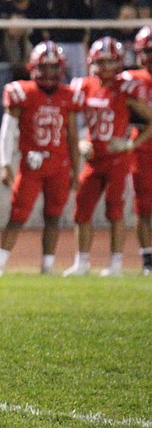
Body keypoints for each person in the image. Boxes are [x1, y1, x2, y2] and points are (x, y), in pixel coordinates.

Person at [0, 42, 83, 276]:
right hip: (31, 165)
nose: (49, 73)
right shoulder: (24, 92)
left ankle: (47, 266)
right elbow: (8, 130)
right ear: (34, 67)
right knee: (17, 216)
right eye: (45, 67)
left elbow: (71, 136)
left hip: (59, 164)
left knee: (53, 216)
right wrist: (4, 163)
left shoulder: (68, 95)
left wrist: (75, 169)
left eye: (53, 68)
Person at [63, 37, 152, 276]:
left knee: (115, 211)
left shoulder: (125, 87)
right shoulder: (84, 86)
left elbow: (150, 120)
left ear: (119, 63)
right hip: (94, 158)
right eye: (100, 62)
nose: (104, 68)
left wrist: (130, 144)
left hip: (116, 160)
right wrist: (82, 140)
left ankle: (116, 263)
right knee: (82, 209)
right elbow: (69, 120)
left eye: (109, 62)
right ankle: (82, 262)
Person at [128, 27, 152, 275]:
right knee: (143, 205)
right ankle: (148, 260)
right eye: (149, 51)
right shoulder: (130, 80)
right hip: (142, 146)